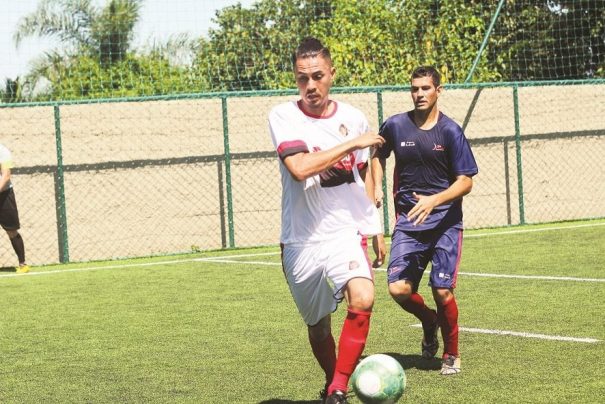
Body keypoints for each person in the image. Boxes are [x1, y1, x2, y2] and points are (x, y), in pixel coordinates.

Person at [268, 37, 386, 404]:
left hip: (343, 234)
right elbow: (300, 168)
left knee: (364, 297)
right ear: (295, 78)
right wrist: (350, 144)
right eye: (303, 78)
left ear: (332, 74)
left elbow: (365, 173)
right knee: (318, 328)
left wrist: (375, 226)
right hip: (301, 240)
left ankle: (337, 390)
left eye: (318, 76)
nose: (311, 86)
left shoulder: (353, 118)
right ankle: (331, 380)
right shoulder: (283, 116)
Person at [372, 66, 478, 375]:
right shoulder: (395, 125)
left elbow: (465, 182)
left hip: (445, 222)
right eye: (415, 88)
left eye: (425, 88)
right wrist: (376, 185)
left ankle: (452, 354)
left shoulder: (450, 132)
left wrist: (435, 199)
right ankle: (429, 320)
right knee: (398, 290)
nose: (419, 94)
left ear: (438, 91)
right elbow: (377, 154)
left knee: (442, 290)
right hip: (409, 222)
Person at [0, 143, 30, 273]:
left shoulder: (3, 151)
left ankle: (23, 264)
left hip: (4, 195)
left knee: (11, 231)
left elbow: (6, 176)